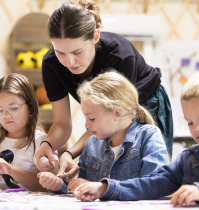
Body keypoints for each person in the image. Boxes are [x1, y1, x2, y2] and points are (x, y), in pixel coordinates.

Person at [35, 0, 173, 181]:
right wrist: (47, 144)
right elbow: (62, 124)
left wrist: (69, 153)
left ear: (95, 37)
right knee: (105, 180)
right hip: (104, 118)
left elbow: (106, 118)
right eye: (60, 52)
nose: (69, 62)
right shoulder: (52, 64)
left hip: (147, 104)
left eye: (77, 52)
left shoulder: (119, 56)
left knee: (148, 179)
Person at [74, 71, 199, 206]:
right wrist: (105, 188)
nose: (196, 129)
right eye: (190, 123)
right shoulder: (188, 160)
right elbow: (152, 183)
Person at [37, 71, 168, 193]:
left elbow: (155, 185)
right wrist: (59, 184)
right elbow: (79, 184)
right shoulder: (92, 143)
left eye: (92, 118)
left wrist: (104, 188)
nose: (86, 125)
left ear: (117, 113)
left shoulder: (148, 135)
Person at [0, 73, 59, 191]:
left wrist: (10, 170)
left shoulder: (43, 142)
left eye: (14, 108)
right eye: (0, 110)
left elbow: (54, 185)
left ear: (30, 107)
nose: (6, 116)